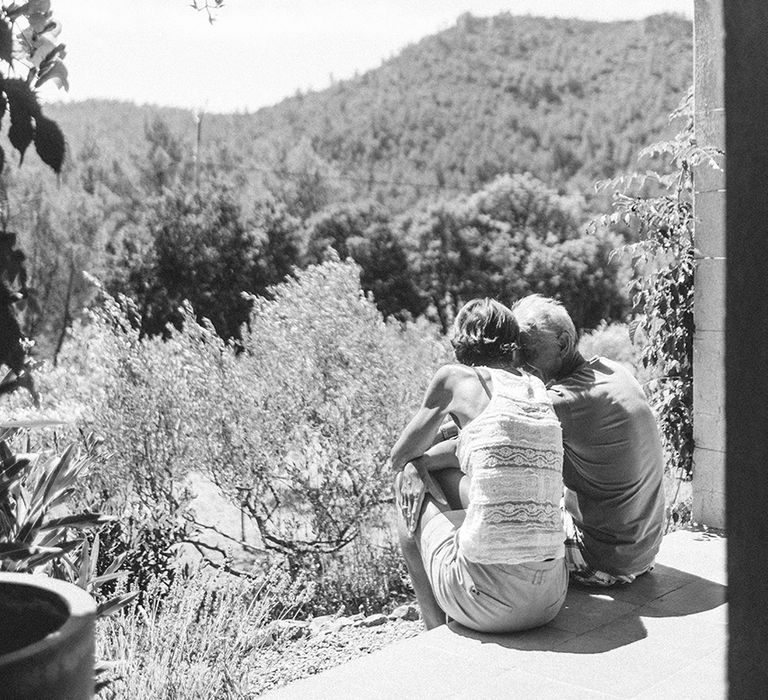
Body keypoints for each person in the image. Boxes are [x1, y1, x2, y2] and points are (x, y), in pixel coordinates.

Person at [391, 298, 567, 632]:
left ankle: (433, 631)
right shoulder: (535, 387)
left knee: (405, 482)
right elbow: (475, 448)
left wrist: (415, 464)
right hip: (551, 598)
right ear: (512, 347)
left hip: (490, 606)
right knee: (465, 476)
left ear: (460, 345)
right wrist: (426, 461)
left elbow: (399, 455)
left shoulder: (455, 379)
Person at [512, 294, 665, 587]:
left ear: (564, 344)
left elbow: (487, 433)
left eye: (528, 351)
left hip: (603, 559)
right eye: (516, 350)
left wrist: (423, 459)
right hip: (643, 551)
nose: (519, 362)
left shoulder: (562, 401)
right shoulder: (614, 370)